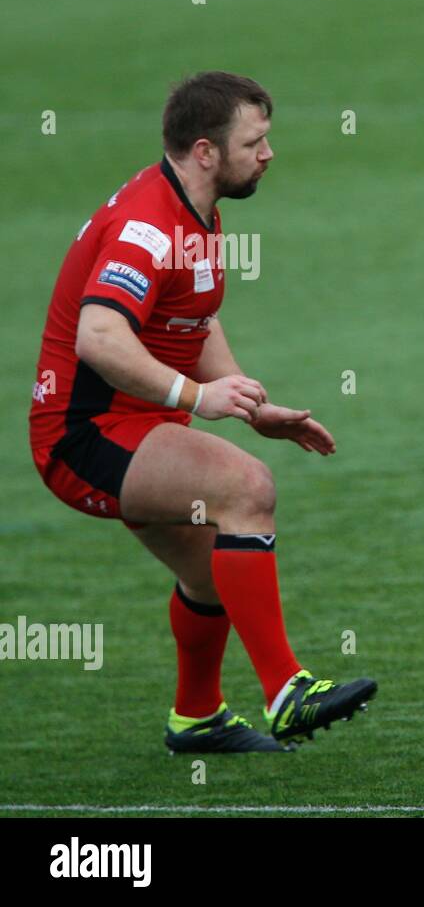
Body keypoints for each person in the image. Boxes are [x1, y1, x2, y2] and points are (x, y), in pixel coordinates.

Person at [30, 71, 378, 753]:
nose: (269, 154)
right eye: (255, 142)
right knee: (246, 489)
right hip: (85, 436)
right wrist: (197, 400)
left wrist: (250, 403)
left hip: (137, 424)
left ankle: (197, 717)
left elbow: (192, 315)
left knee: (210, 568)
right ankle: (286, 691)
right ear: (205, 150)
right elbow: (98, 338)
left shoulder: (191, 205)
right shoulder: (146, 228)